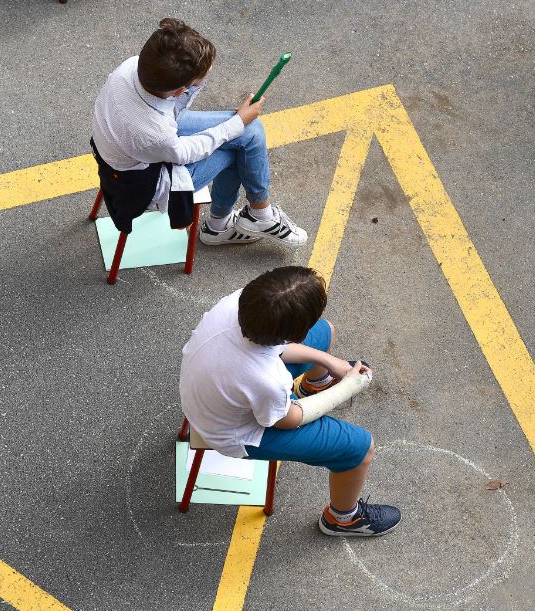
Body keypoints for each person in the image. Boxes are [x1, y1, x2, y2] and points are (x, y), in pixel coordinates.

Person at [179, 266, 401, 536]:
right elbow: (291, 419)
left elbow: (278, 348)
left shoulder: (237, 303)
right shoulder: (267, 379)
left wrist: (329, 361)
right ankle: (343, 518)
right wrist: (348, 387)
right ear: (295, 334)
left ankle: (315, 382)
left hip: (206, 391)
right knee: (359, 449)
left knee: (324, 331)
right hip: (235, 433)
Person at [91, 17, 307, 247]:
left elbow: (172, 111)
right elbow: (183, 153)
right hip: (146, 181)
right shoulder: (154, 132)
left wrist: (235, 120)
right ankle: (222, 226)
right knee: (238, 148)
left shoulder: (132, 67)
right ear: (181, 90)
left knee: (249, 130)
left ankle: (256, 215)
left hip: (128, 143)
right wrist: (234, 124)